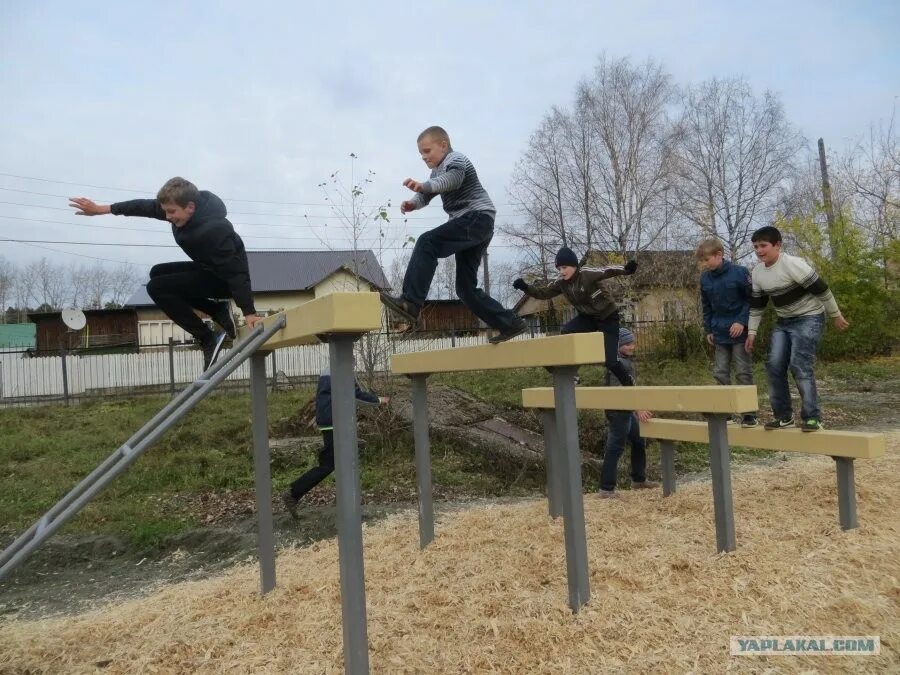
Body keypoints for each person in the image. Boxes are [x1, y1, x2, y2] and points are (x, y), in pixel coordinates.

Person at [69, 177, 262, 371]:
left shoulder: (215, 230)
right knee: (157, 273)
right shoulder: (180, 208)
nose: (168, 216)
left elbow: (236, 271)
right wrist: (103, 209)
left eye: (171, 212)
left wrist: (249, 312)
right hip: (208, 271)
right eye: (165, 211)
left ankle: (207, 337)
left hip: (225, 280)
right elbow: (142, 207)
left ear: (190, 207)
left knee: (157, 288)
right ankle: (216, 310)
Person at [379, 126, 527, 344]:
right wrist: (413, 203)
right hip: (475, 226)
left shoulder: (456, 160)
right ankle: (510, 323)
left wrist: (424, 185)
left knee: (427, 242)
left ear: (443, 145)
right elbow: (428, 194)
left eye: (427, 151)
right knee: (465, 289)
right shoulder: (436, 173)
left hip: (476, 217)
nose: (424, 157)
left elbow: (451, 181)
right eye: (421, 153)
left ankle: (410, 302)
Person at [746, 226, 850, 432]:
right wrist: (752, 332)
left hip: (809, 317)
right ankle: (784, 416)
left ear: (777, 245)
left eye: (763, 246)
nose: (759, 251)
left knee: (799, 365)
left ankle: (813, 418)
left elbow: (822, 290)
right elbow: (757, 306)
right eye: (756, 247)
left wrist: (835, 315)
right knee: (774, 366)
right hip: (784, 321)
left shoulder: (793, 265)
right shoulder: (757, 273)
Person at [513, 246, 638, 385]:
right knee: (567, 331)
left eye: (564, 267)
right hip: (588, 318)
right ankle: (572, 375)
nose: (562, 272)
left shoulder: (586, 274)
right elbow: (544, 293)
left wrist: (625, 269)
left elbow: (606, 270)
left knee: (611, 362)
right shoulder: (561, 283)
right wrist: (525, 287)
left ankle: (629, 383)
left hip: (608, 316)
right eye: (559, 269)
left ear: (574, 266)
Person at [282, 373, 387, 518]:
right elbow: (354, 395)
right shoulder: (341, 369)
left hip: (328, 420)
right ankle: (293, 493)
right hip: (335, 421)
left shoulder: (328, 370)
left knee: (345, 459)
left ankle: (345, 501)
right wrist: (379, 400)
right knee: (330, 463)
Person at [696, 238, 759, 427]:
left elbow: (752, 300)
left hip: (739, 332)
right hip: (719, 332)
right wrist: (708, 329)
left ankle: (749, 414)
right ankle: (725, 412)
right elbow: (706, 306)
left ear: (719, 255)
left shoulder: (740, 273)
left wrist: (741, 321)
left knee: (743, 372)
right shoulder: (705, 278)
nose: (704, 265)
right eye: (702, 261)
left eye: (707, 260)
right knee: (721, 372)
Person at [598, 328, 658, 498]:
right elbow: (620, 393)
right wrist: (637, 409)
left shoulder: (625, 361)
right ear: (618, 346)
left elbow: (631, 388)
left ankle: (638, 480)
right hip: (618, 411)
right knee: (615, 447)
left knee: (639, 440)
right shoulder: (617, 364)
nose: (633, 346)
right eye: (628, 343)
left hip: (627, 410)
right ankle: (606, 489)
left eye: (633, 343)